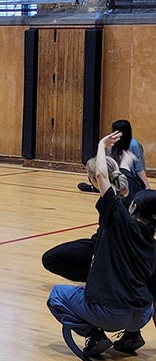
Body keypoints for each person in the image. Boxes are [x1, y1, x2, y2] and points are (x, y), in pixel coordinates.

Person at [47, 131, 156, 358]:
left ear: (133, 209)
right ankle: (132, 334)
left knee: (57, 295)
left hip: (111, 312)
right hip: (143, 313)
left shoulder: (119, 224)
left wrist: (100, 145)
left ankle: (94, 335)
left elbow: (100, 174)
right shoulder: (152, 245)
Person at [78, 119, 149, 193]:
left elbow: (139, 168)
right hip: (116, 176)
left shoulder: (133, 144)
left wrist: (146, 187)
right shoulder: (112, 144)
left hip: (127, 178)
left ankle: (96, 188)